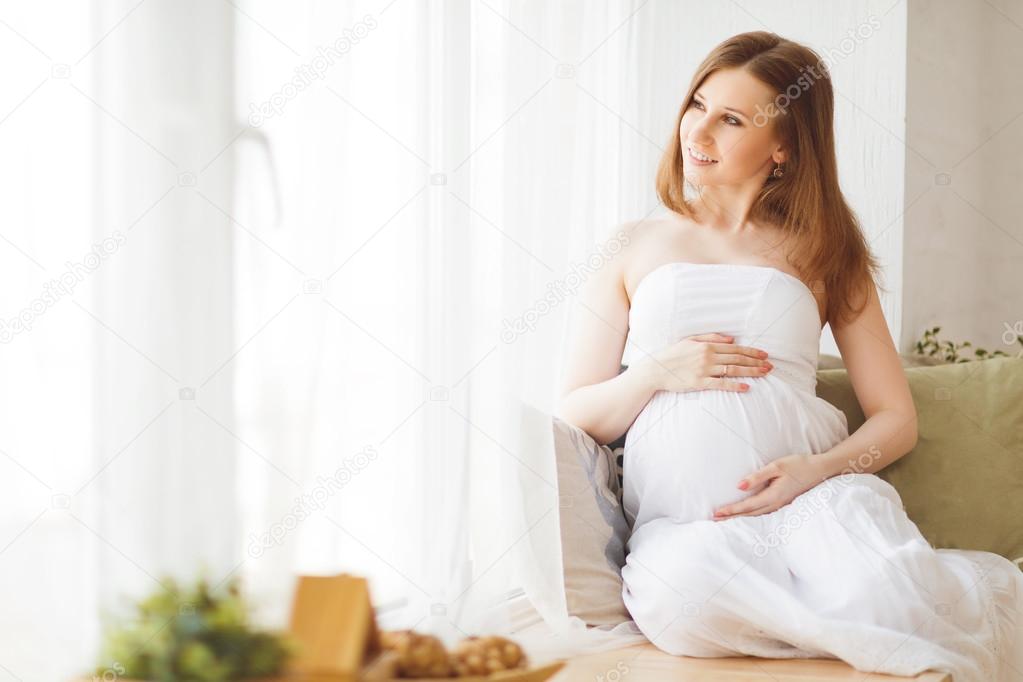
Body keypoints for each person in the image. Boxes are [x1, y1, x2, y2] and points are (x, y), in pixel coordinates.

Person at [556, 31, 1022, 681]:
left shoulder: (827, 255)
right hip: (686, 526)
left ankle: (855, 622)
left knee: (881, 594)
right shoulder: (634, 245)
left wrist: (818, 470)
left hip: (810, 507)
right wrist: (656, 373)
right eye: (697, 104)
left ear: (783, 147)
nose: (698, 130)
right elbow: (576, 412)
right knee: (680, 607)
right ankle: (832, 633)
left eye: (731, 119)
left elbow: (895, 418)